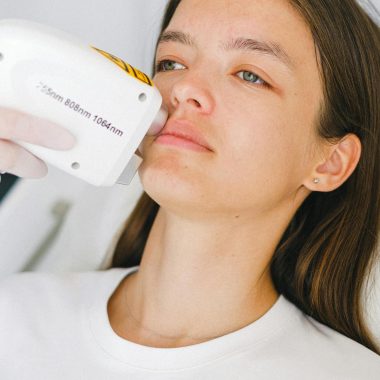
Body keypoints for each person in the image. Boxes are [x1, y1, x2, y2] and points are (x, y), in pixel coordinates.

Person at [0, 0, 379, 378]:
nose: (184, 88)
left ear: (331, 163)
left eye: (249, 75)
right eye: (171, 63)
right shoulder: (13, 315)